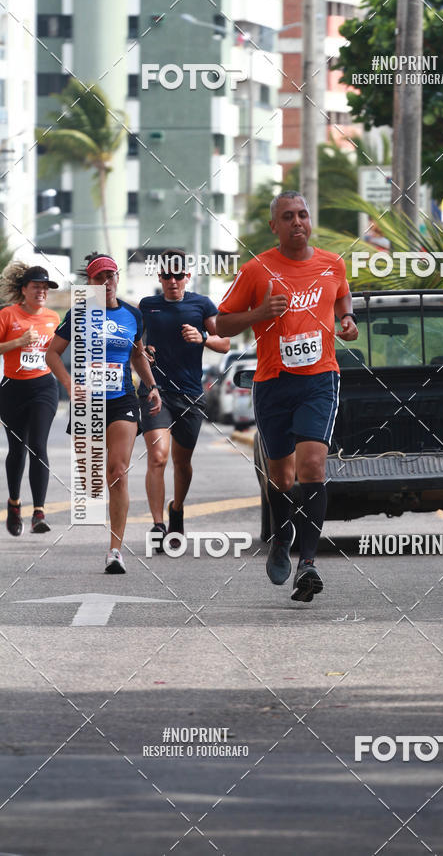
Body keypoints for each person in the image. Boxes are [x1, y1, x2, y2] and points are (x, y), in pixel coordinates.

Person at [216, 191, 358, 601]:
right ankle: (281, 537)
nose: (297, 222)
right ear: (274, 226)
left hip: (319, 379)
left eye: (303, 215)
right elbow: (222, 324)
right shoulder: (256, 270)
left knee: (312, 464)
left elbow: (342, 292)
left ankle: (308, 563)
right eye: (288, 217)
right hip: (273, 383)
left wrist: (347, 318)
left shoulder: (332, 263)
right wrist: (260, 314)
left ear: (310, 220)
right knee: (281, 477)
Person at [46, 253, 161, 573]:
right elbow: (52, 354)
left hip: (122, 399)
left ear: (117, 279)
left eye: (111, 276)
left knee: (118, 472)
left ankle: (115, 550)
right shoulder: (79, 313)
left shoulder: (133, 315)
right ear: (91, 283)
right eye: (100, 278)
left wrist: (151, 386)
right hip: (86, 402)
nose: (107, 282)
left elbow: (138, 356)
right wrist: (69, 386)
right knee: (91, 479)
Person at [138, 248, 230, 551]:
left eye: (179, 275)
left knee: (182, 463)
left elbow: (225, 343)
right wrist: (145, 352)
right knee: (158, 457)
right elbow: (138, 345)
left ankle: (176, 509)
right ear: (160, 277)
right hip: (156, 391)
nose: (173, 281)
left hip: (190, 393)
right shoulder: (147, 306)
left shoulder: (201, 305)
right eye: (167, 275)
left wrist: (203, 338)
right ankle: (157, 526)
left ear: (187, 276)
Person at [0, 263, 60, 535]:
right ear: (24, 289)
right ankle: (14, 503)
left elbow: (59, 351)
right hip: (12, 389)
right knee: (17, 449)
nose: (41, 292)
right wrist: (18, 341)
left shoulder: (53, 318)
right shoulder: (8, 315)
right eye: (36, 287)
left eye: (45, 288)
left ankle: (39, 512)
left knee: (38, 445)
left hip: (44, 388)